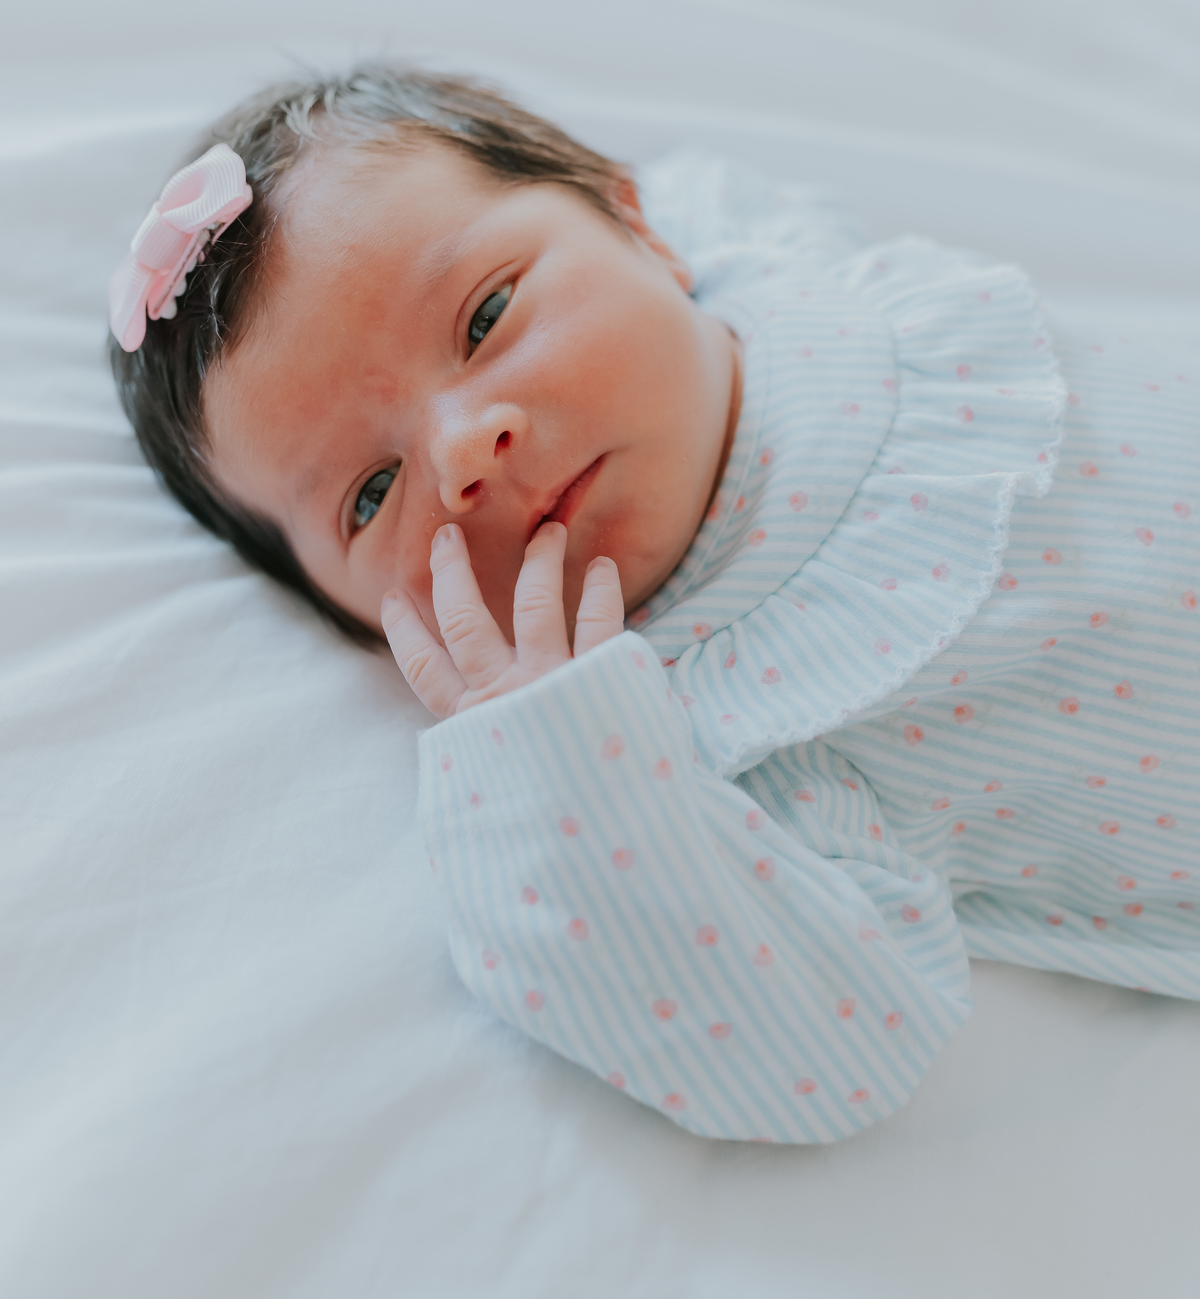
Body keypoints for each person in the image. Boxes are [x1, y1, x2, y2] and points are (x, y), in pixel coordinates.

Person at [110, 63, 1200, 1142]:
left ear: (641, 230)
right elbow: (820, 1054)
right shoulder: (698, 741)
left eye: (487, 315)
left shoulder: (756, 258)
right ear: (353, 621)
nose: (461, 449)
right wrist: (558, 766)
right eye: (374, 493)